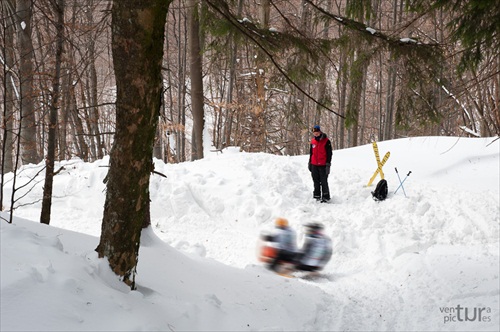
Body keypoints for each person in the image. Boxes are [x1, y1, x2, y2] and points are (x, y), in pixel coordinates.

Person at [308, 125, 333, 202]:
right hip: (314, 164)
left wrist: (328, 164)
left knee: (323, 181)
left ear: (320, 132)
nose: (316, 133)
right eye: (314, 132)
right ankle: (317, 195)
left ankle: (326, 196)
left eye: (317, 132)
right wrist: (310, 163)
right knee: (315, 180)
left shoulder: (326, 141)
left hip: (323, 165)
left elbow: (329, 153)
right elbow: (311, 153)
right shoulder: (313, 141)